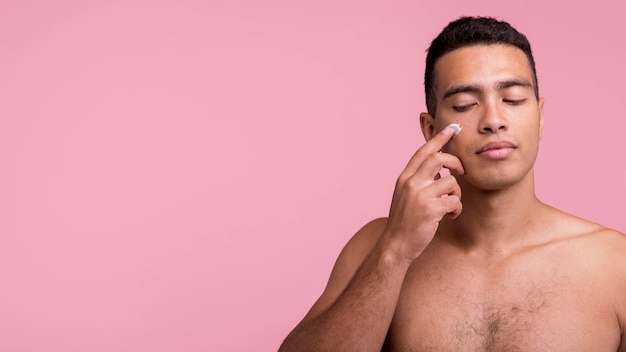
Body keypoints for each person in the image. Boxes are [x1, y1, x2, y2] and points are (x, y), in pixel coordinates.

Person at [278, 16, 626, 351]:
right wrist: (394, 252)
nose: (493, 120)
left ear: (540, 116)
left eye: (513, 99)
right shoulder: (377, 246)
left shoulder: (614, 264)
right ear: (431, 131)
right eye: (464, 104)